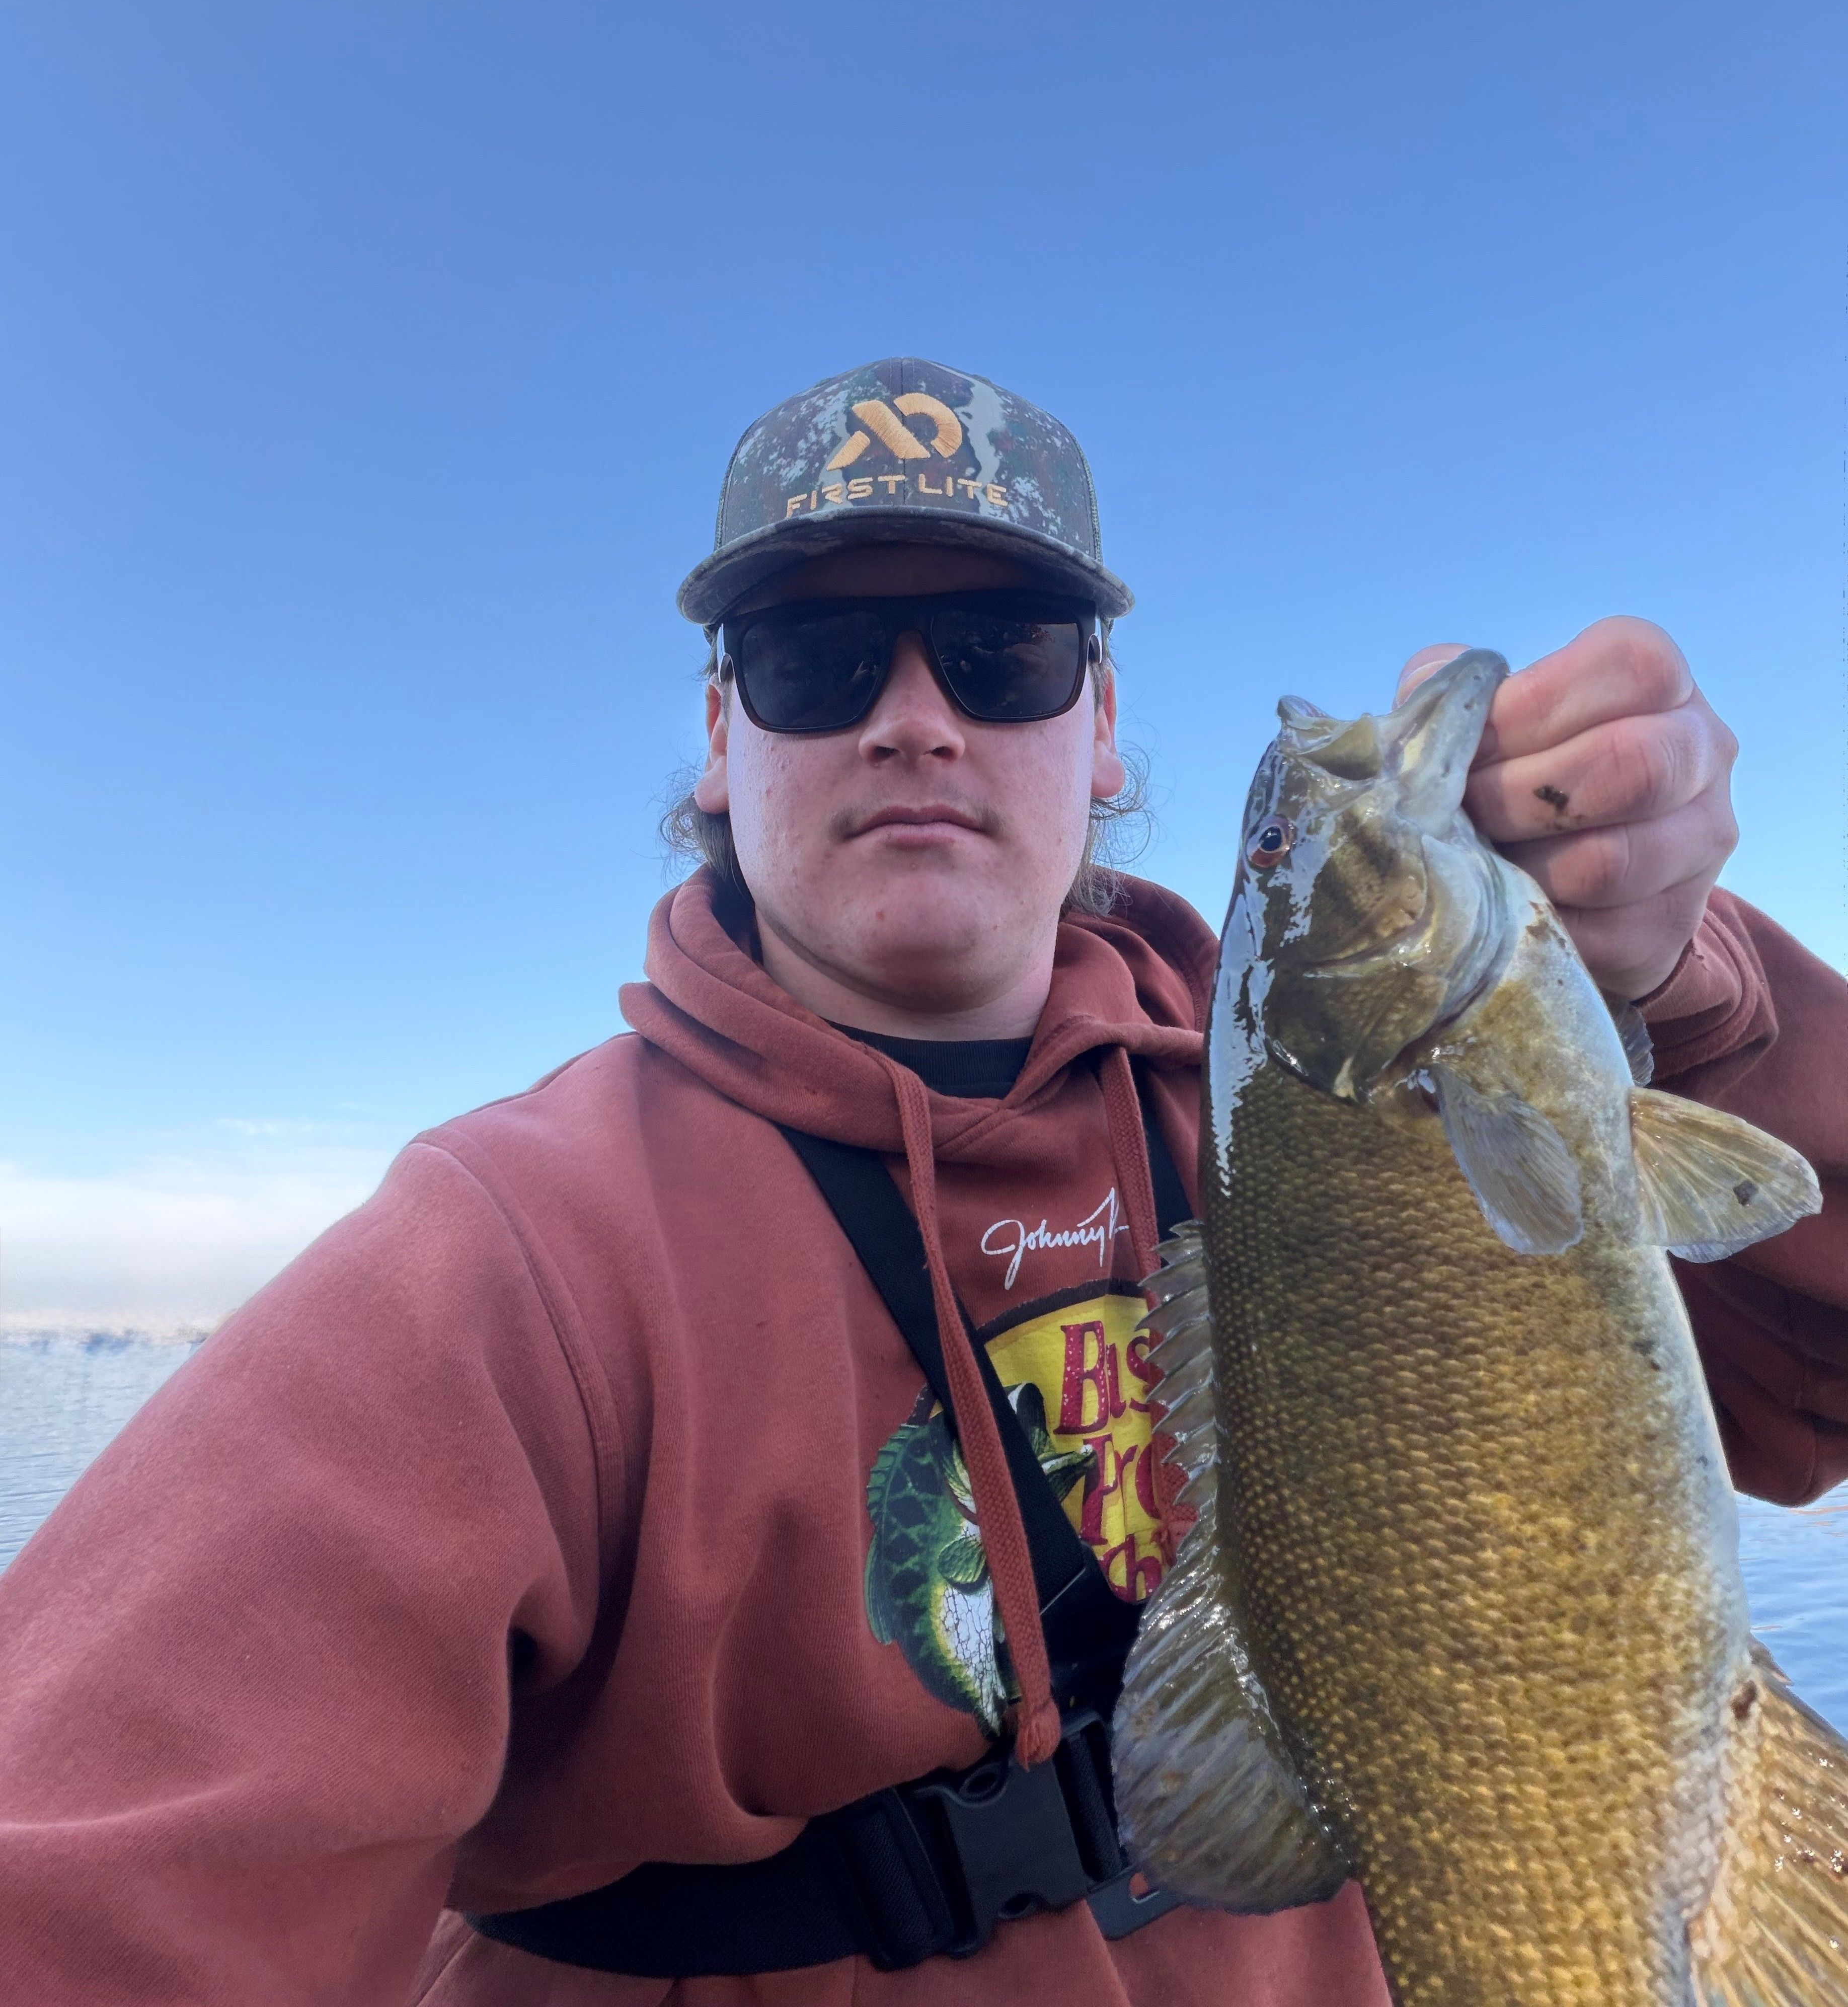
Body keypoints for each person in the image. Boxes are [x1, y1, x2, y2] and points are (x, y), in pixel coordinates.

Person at [2, 356, 1844, 2007]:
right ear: (720, 743)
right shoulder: (507, 1267)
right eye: (813, 661)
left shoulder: (1313, 1127)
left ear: (1099, 727)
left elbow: (1810, 1390)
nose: (914, 719)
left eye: (1000, 652)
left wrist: (1678, 997)